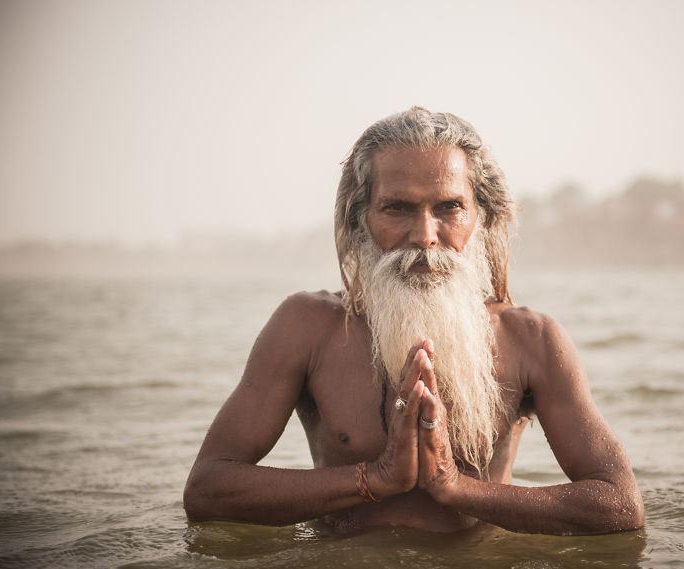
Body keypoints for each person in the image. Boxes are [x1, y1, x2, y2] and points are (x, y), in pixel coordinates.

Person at [183, 107, 645, 535]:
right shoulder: (307, 328)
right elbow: (208, 490)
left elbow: (619, 505)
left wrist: (457, 488)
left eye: (449, 207)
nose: (425, 236)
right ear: (360, 216)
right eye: (397, 208)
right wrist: (374, 479)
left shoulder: (531, 339)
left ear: (480, 217)